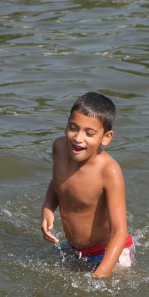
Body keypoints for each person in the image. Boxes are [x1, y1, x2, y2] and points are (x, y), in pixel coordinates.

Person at [41, 92, 135, 277]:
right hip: (75, 249)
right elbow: (58, 179)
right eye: (73, 128)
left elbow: (119, 231)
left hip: (109, 254)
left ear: (106, 138)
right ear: (66, 124)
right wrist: (48, 207)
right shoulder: (60, 148)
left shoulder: (109, 172)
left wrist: (102, 273)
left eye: (89, 133)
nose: (78, 138)